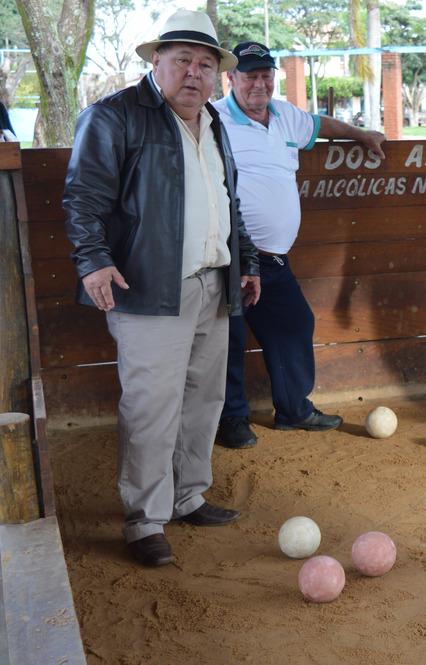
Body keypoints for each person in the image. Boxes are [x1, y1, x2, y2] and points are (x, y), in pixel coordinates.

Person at [62, 10, 261, 567]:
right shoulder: (114, 116)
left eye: (205, 64)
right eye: (182, 61)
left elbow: (227, 202)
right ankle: (144, 519)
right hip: (147, 286)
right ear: (157, 62)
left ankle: (187, 494)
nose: (194, 73)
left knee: (204, 399)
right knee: (152, 407)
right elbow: (82, 198)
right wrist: (94, 261)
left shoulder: (216, 122)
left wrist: (244, 261)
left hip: (212, 282)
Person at [212, 42, 386, 448]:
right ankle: (231, 419)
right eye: (249, 74)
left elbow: (320, 125)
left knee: (295, 324)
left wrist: (360, 134)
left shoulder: (286, 115)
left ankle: (293, 410)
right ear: (231, 78)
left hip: (273, 260)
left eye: (265, 74)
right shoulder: (214, 118)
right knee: (230, 339)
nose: (259, 83)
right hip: (229, 257)